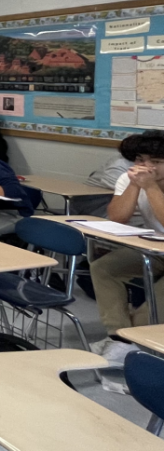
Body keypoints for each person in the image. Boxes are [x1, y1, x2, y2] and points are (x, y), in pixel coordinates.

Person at [89, 131, 164, 363]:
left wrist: (151, 188)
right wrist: (134, 185)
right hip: (157, 248)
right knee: (104, 268)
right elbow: (117, 217)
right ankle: (118, 336)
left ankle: (129, 340)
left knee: (155, 304)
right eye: (140, 160)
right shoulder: (130, 178)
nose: (146, 167)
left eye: (156, 162)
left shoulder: (150, 183)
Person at [71, 154, 133, 219]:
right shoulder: (120, 164)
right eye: (140, 159)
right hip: (95, 205)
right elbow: (130, 195)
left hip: (119, 206)